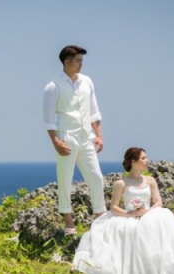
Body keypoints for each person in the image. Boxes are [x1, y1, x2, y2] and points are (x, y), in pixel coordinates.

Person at [73, 147, 174, 274]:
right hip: (128, 215)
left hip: (147, 214)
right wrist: (129, 214)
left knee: (164, 217)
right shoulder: (121, 183)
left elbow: (158, 201)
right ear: (133, 162)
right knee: (130, 231)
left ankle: (166, 271)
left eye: (146, 158)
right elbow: (113, 207)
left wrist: (147, 211)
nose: (147, 161)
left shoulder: (150, 181)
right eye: (143, 158)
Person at [43, 45, 107, 235]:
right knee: (65, 179)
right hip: (66, 138)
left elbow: (94, 111)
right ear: (67, 62)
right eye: (78, 60)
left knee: (96, 177)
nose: (81, 64)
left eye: (82, 60)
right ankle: (68, 221)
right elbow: (49, 119)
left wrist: (99, 135)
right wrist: (56, 142)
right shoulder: (52, 87)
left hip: (87, 137)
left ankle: (99, 217)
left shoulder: (87, 82)